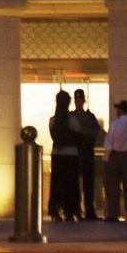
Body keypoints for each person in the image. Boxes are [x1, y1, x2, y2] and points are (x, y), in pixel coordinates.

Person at [46, 90, 80, 221]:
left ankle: (55, 210)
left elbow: (53, 135)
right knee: (71, 184)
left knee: (57, 184)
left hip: (57, 154)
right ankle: (70, 210)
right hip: (71, 154)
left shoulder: (53, 120)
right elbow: (79, 135)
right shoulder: (72, 119)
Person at [71, 89, 102, 220]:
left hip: (87, 152)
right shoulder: (71, 116)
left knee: (89, 184)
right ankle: (76, 210)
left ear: (83, 100)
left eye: (80, 99)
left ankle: (89, 210)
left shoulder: (90, 117)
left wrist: (85, 134)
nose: (79, 102)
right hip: (75, 153)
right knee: (75, 185)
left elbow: (96, 131)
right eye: (77, 100)